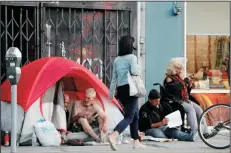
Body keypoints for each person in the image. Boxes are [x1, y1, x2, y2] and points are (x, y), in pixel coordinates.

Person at [108, 35, 145, 150]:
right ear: (130, 45)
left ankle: (136, 141)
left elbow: (114, 78)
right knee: (129, 116)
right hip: (131, 89)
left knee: (135, 116)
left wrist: (111, 94)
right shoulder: (132, 58)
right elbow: (134, 72)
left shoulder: (117, 60)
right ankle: (114, 135)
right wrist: (138, 68)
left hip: (121, 90)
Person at [163, 59, 212, 138]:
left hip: (183, 100)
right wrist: (184, 83)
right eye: (177, 68)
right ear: (172, 68)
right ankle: (194, 131)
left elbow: (186, 92)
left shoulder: (179, 78)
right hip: (175, 100)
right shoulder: (169, 78)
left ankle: (206, 132)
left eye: (180, 68)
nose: (179, 70)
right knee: (190, 109)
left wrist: (189, 85)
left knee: (199, 109)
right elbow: (175, 90)